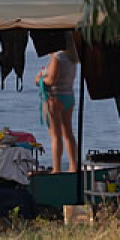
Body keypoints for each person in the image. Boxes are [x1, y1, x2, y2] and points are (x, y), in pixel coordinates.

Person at [36, 43, 79, 173]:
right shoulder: (73, 57)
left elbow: (52, 80)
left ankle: (57, 168)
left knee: (55, 135)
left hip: (55, 97)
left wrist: (40, 79)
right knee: (68, 133)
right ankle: (73, 166)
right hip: (68, 95)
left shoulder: (58, 57)